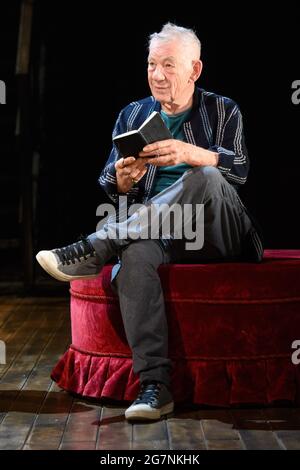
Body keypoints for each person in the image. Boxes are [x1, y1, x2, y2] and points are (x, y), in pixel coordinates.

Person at [36, 23, 263, 421]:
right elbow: (112, 182)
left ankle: (96, 246)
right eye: (151, 64)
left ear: (194, 70)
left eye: (168, 65)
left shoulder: (224, 110)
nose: (157, 75)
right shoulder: (133, 114)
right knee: (137, 256)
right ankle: (154, 387)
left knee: (206, 176)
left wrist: (192, 153)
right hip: (164, 231)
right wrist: (123, 182)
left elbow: (240, 170)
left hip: (220, 230)